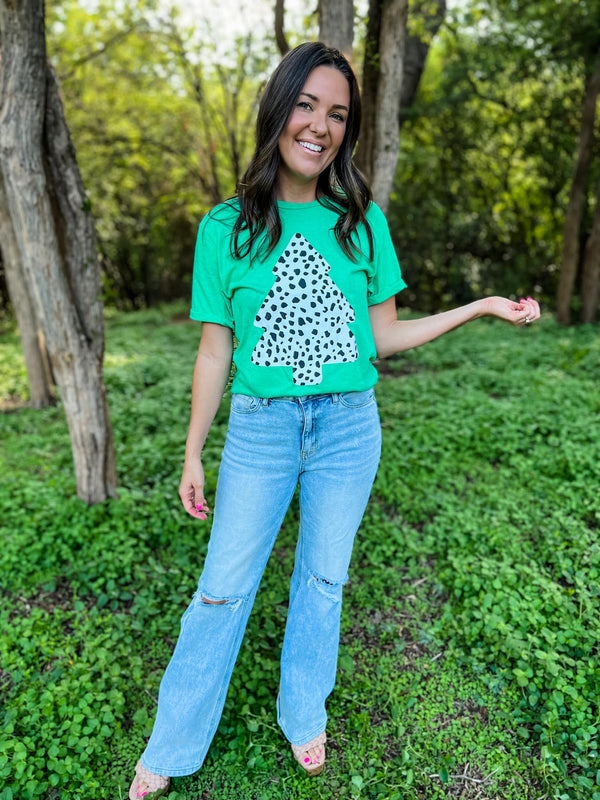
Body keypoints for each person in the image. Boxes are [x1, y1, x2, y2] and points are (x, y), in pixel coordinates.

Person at [129, 41, 540, 799]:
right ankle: (174, 742)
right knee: (221, 587)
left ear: (347, 130)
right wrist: (194, 453)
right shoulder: (226, 226)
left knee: (323, 579)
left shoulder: (359, 219)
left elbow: (382, 336)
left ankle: (302, 710)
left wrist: (482, 306)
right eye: (307, 105)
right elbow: (215, 352)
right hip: (260, 430)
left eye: (338, 114)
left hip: (349, 427)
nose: (319, 126)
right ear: (279, 110)